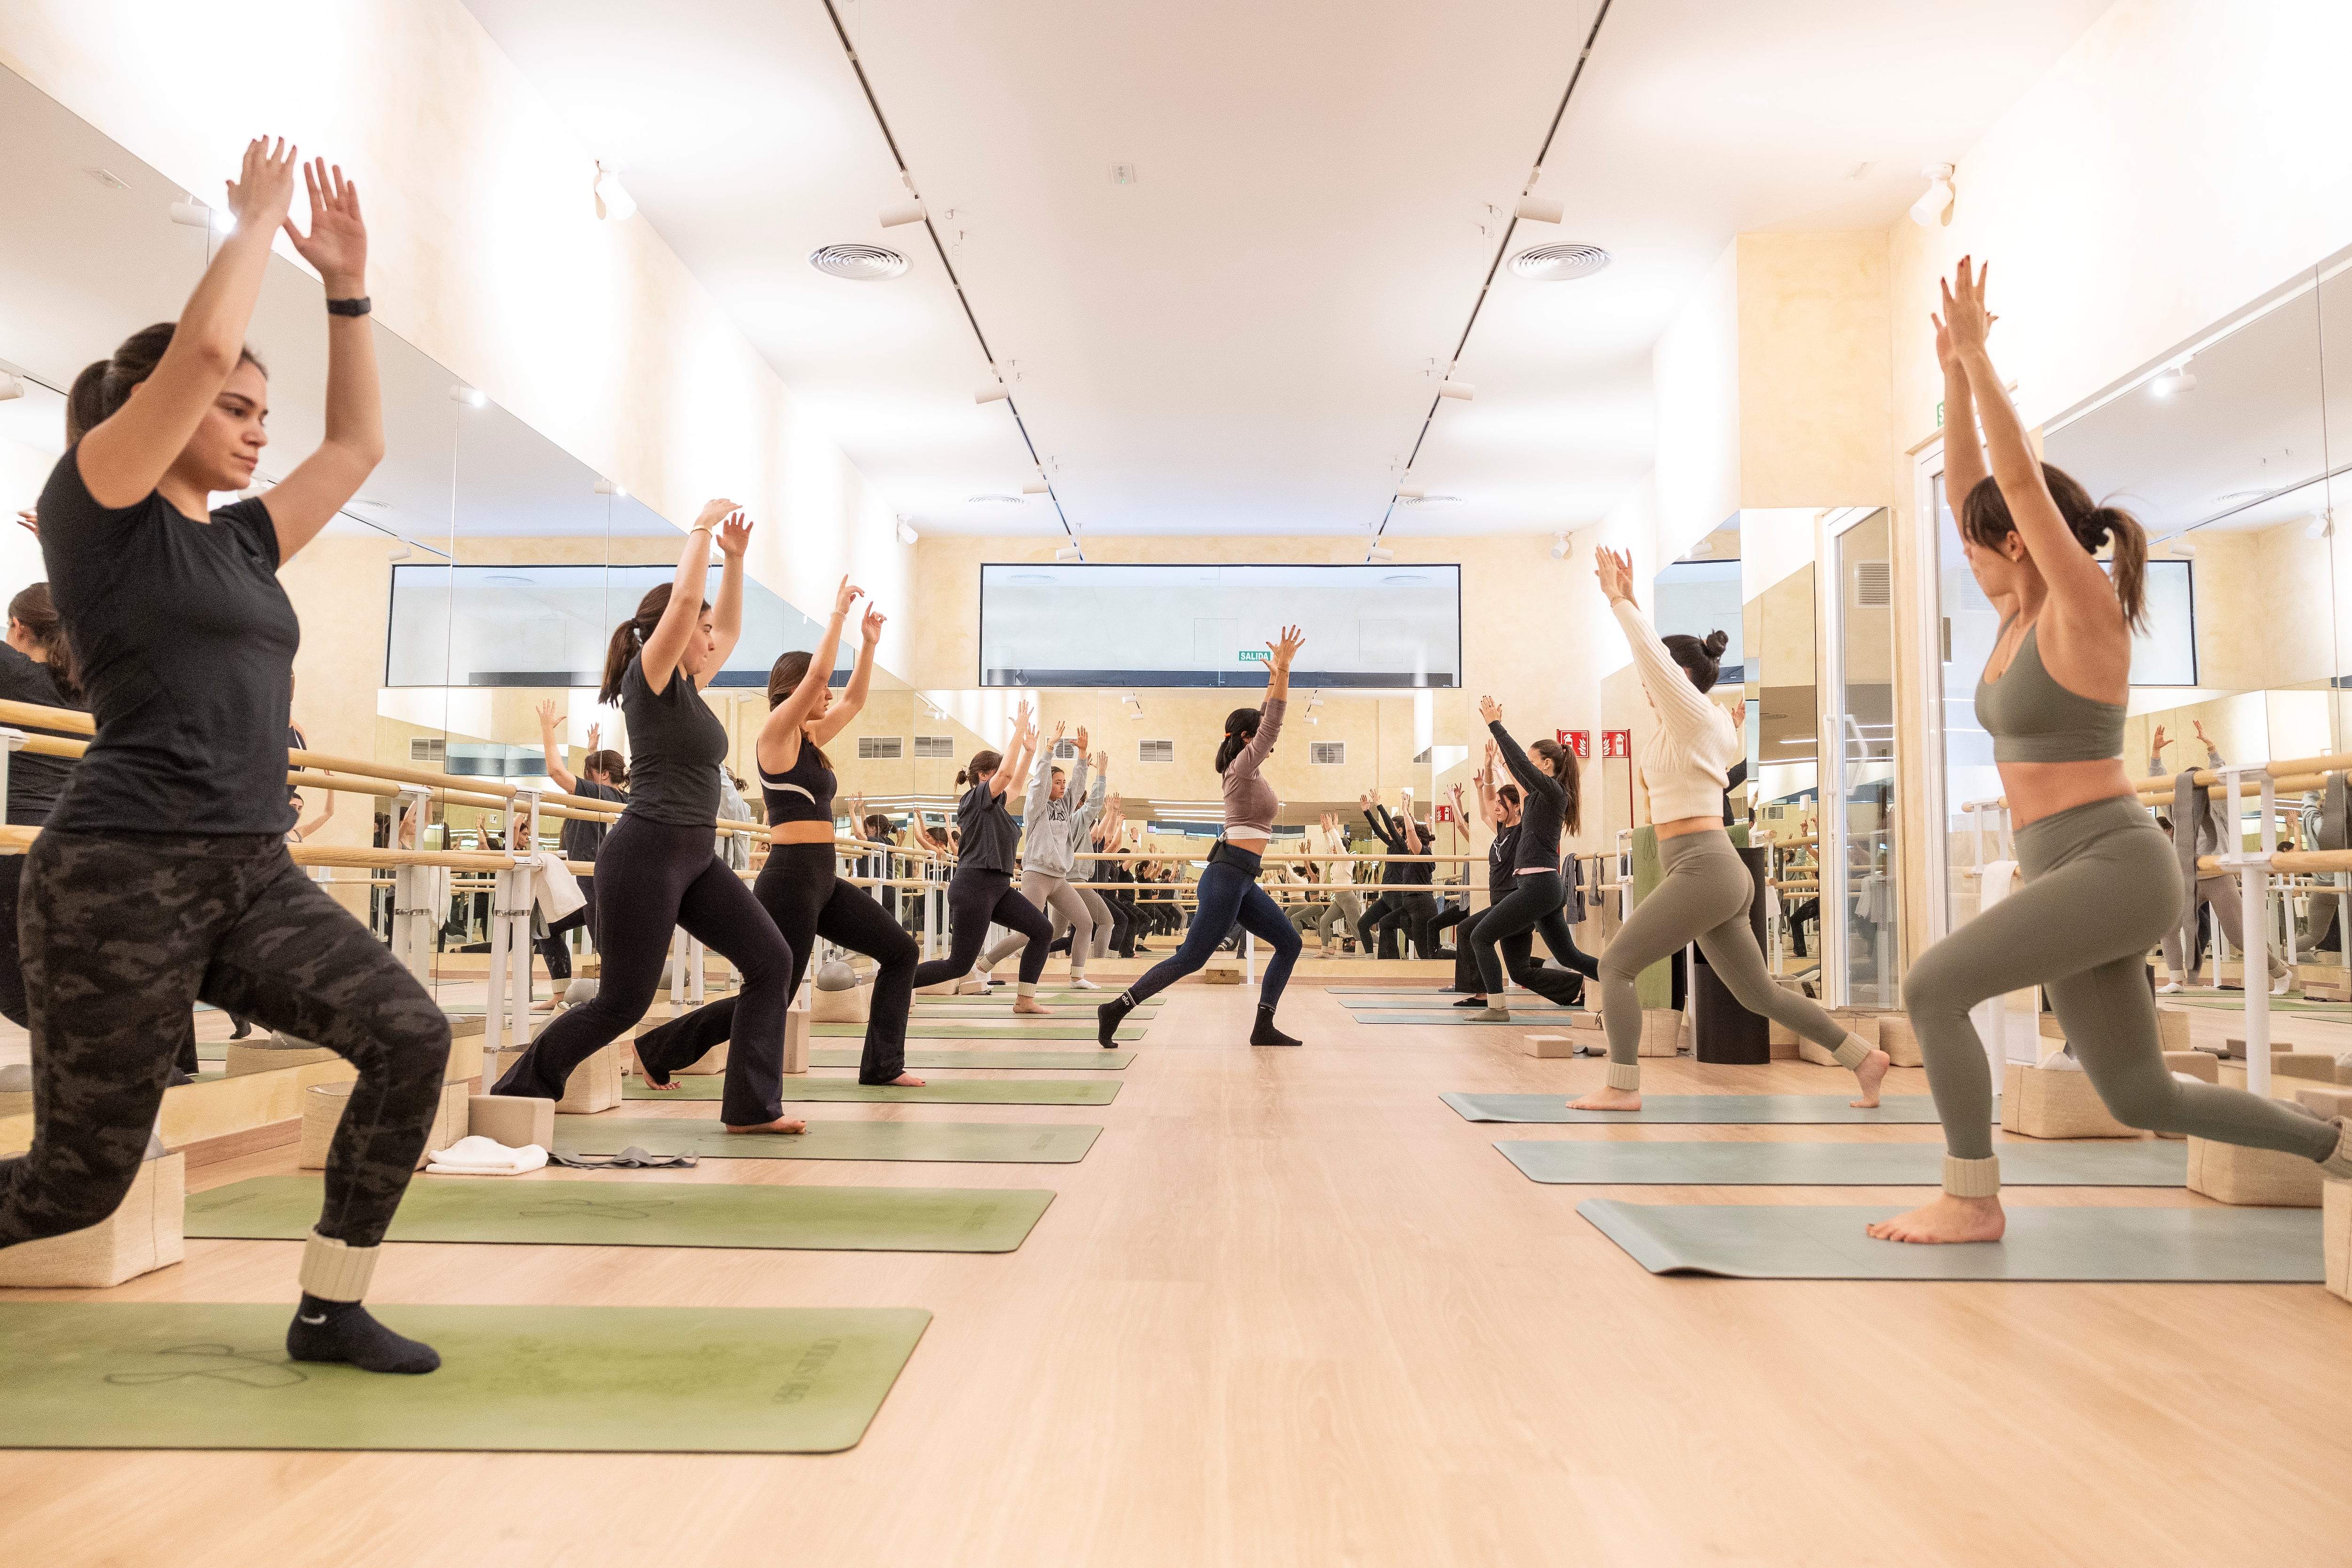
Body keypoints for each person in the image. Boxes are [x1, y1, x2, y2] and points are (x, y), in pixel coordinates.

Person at [3, 142, 451, 1373]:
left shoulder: (245, 546)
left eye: (264, 412)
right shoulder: (98, 502)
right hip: (119, 873)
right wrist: (253, 224)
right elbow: (197, 350)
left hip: (251, 871)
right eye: (235, 407)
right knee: (74, 1187)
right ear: (147, 415)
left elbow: (355, 451)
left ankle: (330, 1304)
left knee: (410, 1035)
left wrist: (349, 291)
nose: (257, 430)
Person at [1872, 258, 2351, 1242]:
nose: (1965, 551)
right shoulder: (2010, 613)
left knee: (1932, 986)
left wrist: (1980, 356)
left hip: (2112, 863)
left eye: (1979, 541)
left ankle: (1971, 1197)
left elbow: (2007, 482)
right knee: (2137, 1093)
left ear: (2020, 542)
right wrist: (1950, 384)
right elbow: (1977, 487)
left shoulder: (2079, 609)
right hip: (2072, 870)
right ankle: (2339, 1151)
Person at [491, 500, 802, 1133]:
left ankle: (750, 1107)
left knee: (772, 962)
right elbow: (687, 604)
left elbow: (732, 629)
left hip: (695, 855)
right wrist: (701, 533)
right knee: (622, 1003)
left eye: (711, 630)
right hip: (647, 854)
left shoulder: (689, 686)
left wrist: (737, 561)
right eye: (702, 628)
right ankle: (517, 1091)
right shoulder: (648, 676)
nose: (712, 638)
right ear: (672, 630)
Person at [1579, 543, 1888, 1113]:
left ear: (1681, 678)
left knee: (1614, 966)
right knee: (1757, 992)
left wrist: (1621, 602)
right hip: (1709, 867)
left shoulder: (1695, 717)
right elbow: (1662, 671)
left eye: (1659, 679)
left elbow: (1652, 660)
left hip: (1702, 865)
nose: (1646, 686)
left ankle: (1621, 1087)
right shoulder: (1700, 724)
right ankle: (1862, 1058)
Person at [629, 580, 924, 1086]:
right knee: (774, 991)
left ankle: (882, 1067)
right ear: (794, 689)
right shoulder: (776, 735)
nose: (827, 695)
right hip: (789, 881)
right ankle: (659, 1048)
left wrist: (870, 646)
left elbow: (851, 701)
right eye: (817, 690)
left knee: (901, 952)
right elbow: (820, 678)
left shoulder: (810, 737)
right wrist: (836, 616)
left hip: (823, 879)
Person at [1098, 627, 1307, 1048]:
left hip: (1243, 878)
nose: (1269, 741)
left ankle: (1263, 1024)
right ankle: (1116, 1008)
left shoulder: (1249, 766)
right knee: (1191, 958)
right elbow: (1273, 721)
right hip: (1227, 877)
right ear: (1249, 739)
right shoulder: (1242, 768)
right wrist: (1283, 671)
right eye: (1260, 735)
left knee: (1290, 942)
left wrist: (1273, 679)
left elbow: (1265, 717)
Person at [910, 702, 1055, 1012]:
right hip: (974, 886)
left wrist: (1029, 752)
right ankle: (893, 981)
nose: (1006, 776)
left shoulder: (997, 804)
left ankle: (1025, 999)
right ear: (982, 775)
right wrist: (1017, 733)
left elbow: (1014, 782)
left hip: (998, 887)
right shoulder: (975, 799)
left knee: (1042, 930)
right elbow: (1006, 773)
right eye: (997, 773)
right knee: (958, 965)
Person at [1468, 704, 1600, 1016]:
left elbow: (1520, 766)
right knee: (1563, 958)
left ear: (1547, 763)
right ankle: (1622, 979)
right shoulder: (1538, 797)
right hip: (1536, 885)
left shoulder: (1555, 793)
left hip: (1540, 885)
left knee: (1480, 936)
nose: (1528, 765)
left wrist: (1496, 725)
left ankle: (1497, 1008)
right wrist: (1496, 765)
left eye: (1533, 760)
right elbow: (1516, 769)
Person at [0, 585, 87, 1036]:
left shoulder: (12, 673)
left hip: (17, 852)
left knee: (24, 995)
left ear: (18, 627)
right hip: (77, 851)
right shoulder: (89, 692)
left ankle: (154, 1081)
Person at [2148, 720, 2290, 995]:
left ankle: (2280, 973)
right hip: (2189, 877)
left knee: (2238, 935)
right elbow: (2158, 786)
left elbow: (2222, 777)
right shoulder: (2176, 809)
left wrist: (2212, 748)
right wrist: (2156, 754)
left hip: (2217, 875)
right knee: (2168, 925)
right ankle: (2177, 978)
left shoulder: (2219, 806)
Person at [976, 724, 1104, 989]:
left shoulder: (1066, 807)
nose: (1062, 787)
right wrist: (1048, 751)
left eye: (1063, 783)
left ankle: (1077, 976)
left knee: (1084, 922)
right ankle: (982, 966)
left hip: (1058, 877)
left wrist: (1082, 756)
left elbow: (1079, 786)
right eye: (1057, 783)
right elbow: (1039, 784)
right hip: (1037, 875)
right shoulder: (1036, 808)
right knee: (1027, 933)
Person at [531, 700, 626, 1009]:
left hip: (597, 886)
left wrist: (546, 728)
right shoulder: (610, 794)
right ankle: (561, 995)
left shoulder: (601, 794)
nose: (581, 780)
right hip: (585, 887)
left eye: (587, 772)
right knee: (543, 923)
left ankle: (615, 1004)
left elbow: (556, 771)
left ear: (599, 776)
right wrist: (591, 749)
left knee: (609, 951)